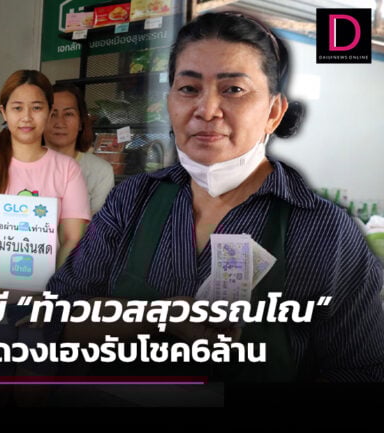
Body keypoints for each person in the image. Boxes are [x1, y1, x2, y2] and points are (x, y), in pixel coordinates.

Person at [46, 11, 384, 382]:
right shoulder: (131, 200)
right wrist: (159, 317)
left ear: (274, 112)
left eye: (233, 90)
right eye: (189, 89)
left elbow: (362, 373)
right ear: (170, 101)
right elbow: (56, 318)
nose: (206, 110)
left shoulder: (326, 232)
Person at [0, 70, 90, 404]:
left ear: (48, 110)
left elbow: (73, 238)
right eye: (17, 107)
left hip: (42, 307)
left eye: (36, 107)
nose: (26, 117)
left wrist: (51, 295)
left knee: (33, 392)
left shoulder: (66, 168)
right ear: (3, 110)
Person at [44, 83, 114, 215]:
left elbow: (98, 223)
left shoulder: (100, 171)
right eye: (52, 114)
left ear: (81, 122)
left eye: (68, 114)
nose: (60, 123)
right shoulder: (20, 163)